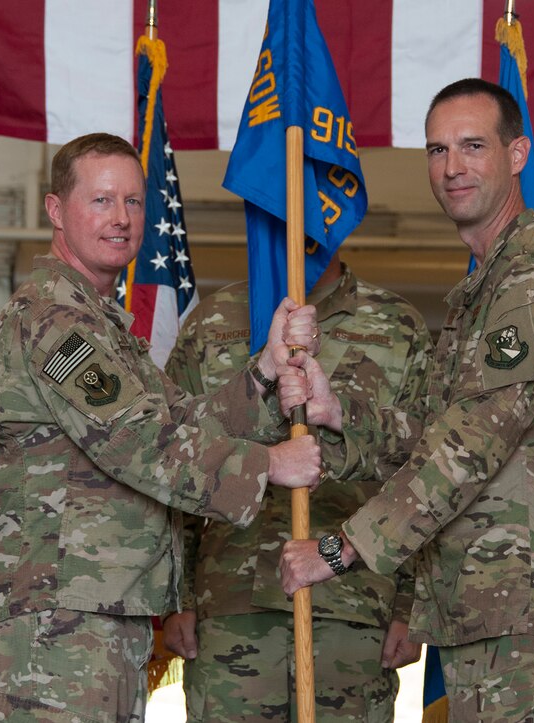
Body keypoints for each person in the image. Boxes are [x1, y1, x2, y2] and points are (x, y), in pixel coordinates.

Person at [278, 78, 534, 722]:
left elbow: (471, 442)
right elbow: (429, 430)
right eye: (437, 150)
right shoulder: (480, 293)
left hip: (528, 612)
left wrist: (339, 549)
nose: (453, 167)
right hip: (482, 609)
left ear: (517, 155)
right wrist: (336, 412)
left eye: (472, 146)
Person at [0, 132, 324, 723]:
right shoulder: (54, 317)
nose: (121, 219)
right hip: (60, 615)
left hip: (101, 604)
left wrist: (264, 372)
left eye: (134, 202)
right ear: (57, 210)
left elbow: (184, 421)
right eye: (101, 201)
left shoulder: (103, 324)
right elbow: (138, 444)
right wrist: (268, 465)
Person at [160, 251, 434, 722]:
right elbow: (177, 458)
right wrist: (176, 600)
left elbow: (423, 470)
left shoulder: (398, 325)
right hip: (229, 606)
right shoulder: (211, 323)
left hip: (355, 605)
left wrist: (411, 605)